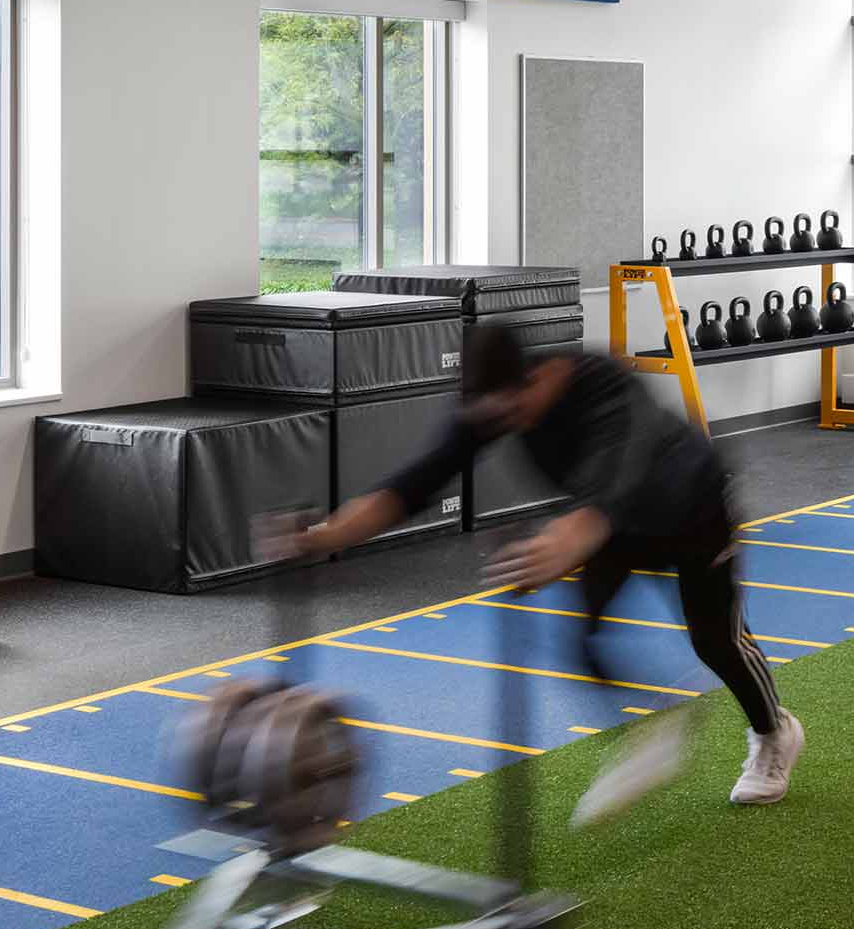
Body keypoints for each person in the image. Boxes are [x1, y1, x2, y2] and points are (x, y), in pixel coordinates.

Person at [296, 324, 801, 816]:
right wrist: (323, 536)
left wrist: (566, 540)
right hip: (617, 526)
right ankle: (652, 726)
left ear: (540, 378)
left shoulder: (604, 382)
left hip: (693, 507)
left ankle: (774, 731)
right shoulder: (495, 406)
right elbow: (411, 486)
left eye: (513, 410)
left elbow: (618, 473)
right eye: (494, 416)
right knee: (581, 638)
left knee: (716, 641)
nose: (507, 424)